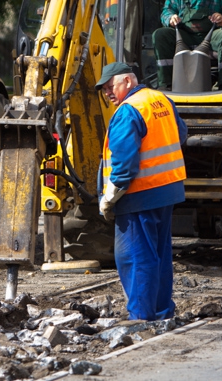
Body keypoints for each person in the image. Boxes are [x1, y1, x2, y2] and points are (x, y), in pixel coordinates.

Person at [95, 62, 187, 320]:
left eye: (110, 86)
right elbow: (180, 134)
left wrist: (110, 197)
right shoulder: (160, 99)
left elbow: (124, 164)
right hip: (166, 188)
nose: (107, 93)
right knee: (158, 254)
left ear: (127, 81)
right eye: (103, 89)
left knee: (134, 258)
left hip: (138, 195)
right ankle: (162, 311)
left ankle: (142, 316)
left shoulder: (128, 111)